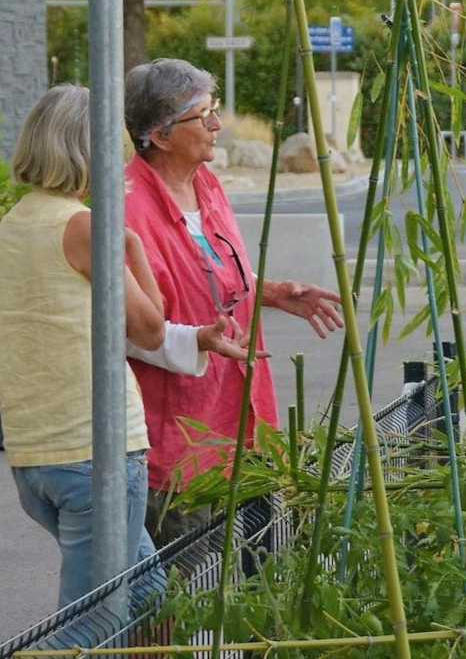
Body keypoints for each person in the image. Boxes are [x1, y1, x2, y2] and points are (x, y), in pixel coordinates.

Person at [0, 86, 247, 608]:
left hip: (34, 452)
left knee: (150, 598)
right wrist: (131, 246)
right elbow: (150, 329)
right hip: (95, 452)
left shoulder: (12, 226)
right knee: (91, 619)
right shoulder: (87, 229)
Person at [123, 58, 343, 545]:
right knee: (187, 589)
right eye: (203, 116)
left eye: (215, 110)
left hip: (243, 417)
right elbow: (126, 331)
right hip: (182, 439)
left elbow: (210, 274)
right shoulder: (128, 209)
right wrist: (200, 340)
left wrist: (272, 292)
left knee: (254, 567)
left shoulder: (206, 186)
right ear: (159, 136)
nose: (217, 125)